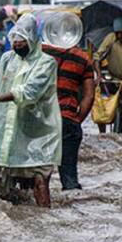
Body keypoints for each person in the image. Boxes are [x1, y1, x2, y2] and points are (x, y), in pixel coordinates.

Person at [0, 13, 61, 208]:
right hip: (11, 130)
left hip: (39, 133)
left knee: (40, 180)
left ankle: (44, 216)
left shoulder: (46, 63)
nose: (17, 45)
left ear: (32, 39)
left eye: (22, 41)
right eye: (15, 40)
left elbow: (29, 92)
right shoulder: (7, 59)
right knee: (6, 183)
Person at [42, 16, 95, 191]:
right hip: (68, 120)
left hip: (40, 121)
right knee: (69, 177)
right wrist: (76, 119)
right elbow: (89, 95)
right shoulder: (83, 59)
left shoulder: (39, 53)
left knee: (38, 175)